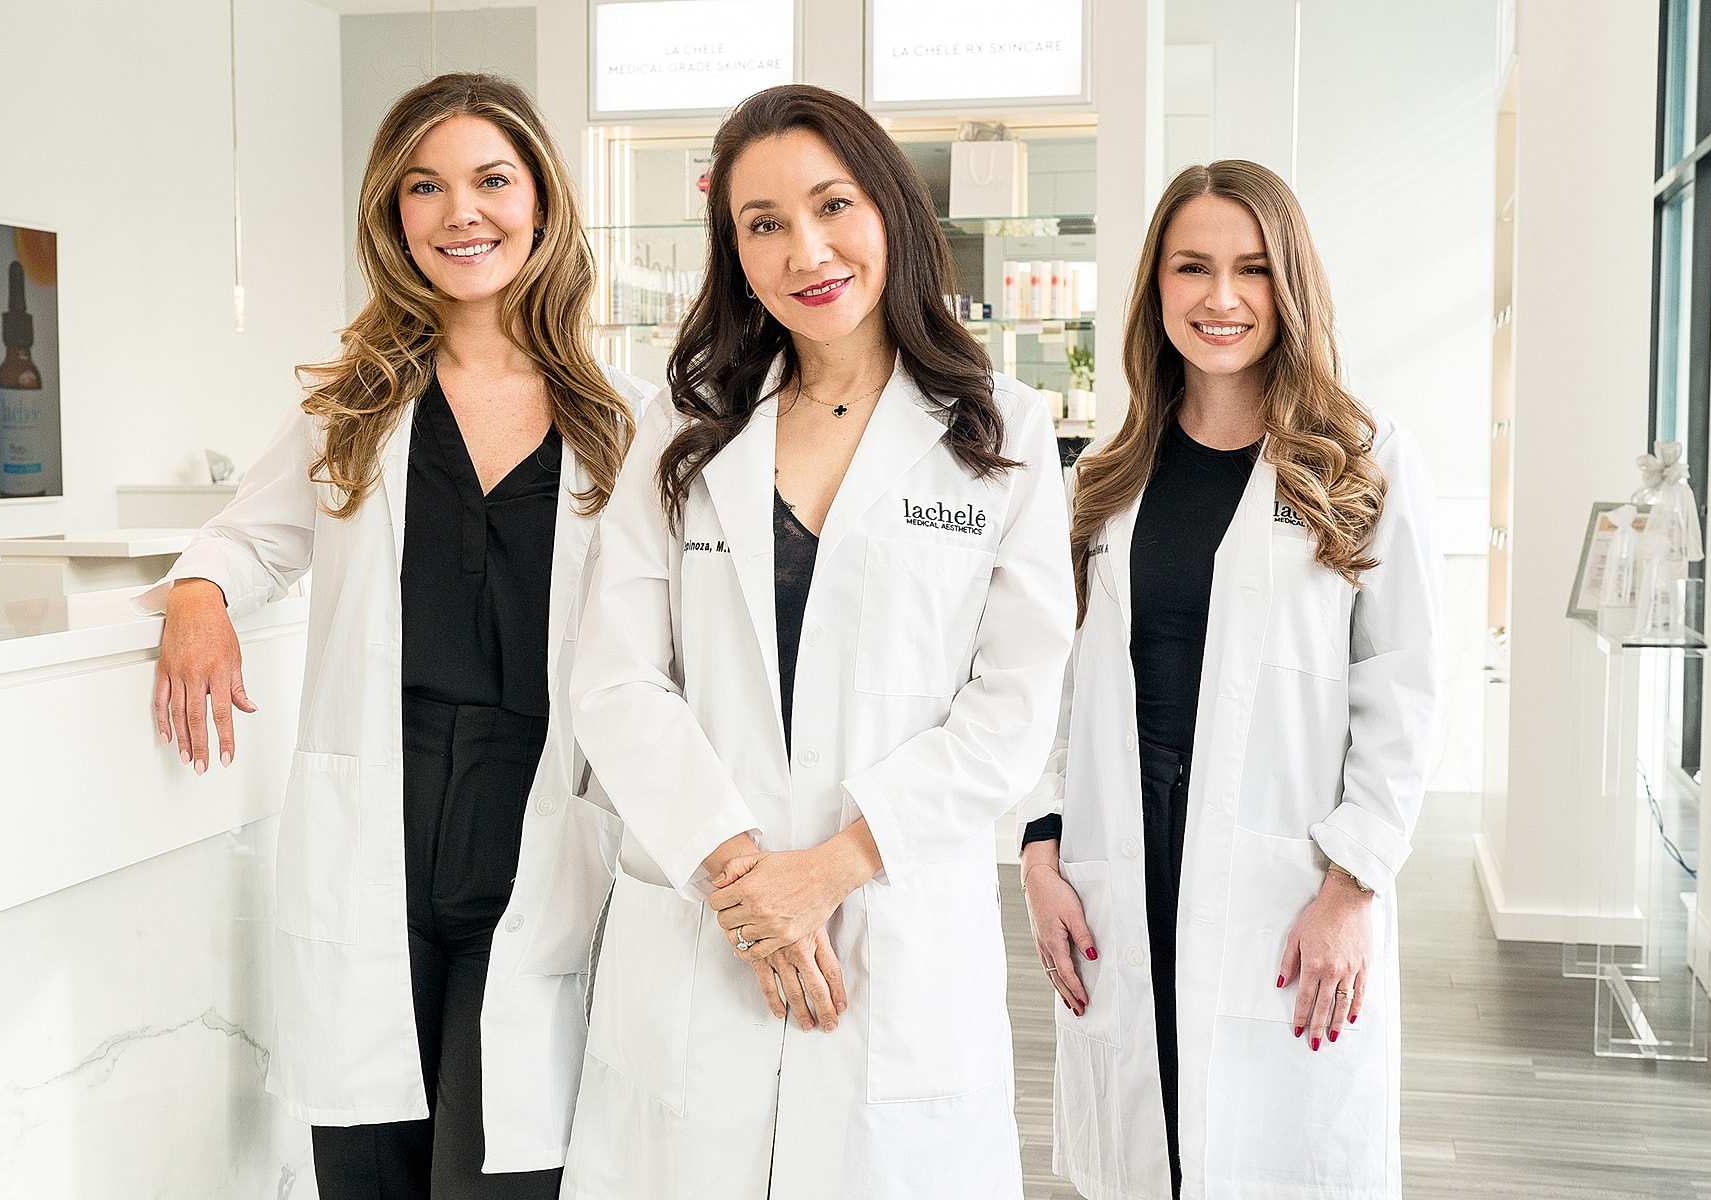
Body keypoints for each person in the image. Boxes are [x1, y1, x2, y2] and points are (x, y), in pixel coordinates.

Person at [555, 84, 1075, 1199]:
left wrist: (831, 870)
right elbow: (615, 675)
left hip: (889, 920)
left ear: (888, 209)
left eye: (833, 205)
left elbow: (1015, 705)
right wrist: (749, 881)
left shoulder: (1003, 432)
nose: (807, 250)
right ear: (732, 251)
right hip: (710, 924)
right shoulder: (686, 427)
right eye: (763, 223)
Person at [141, 73, 652, 1199]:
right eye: (426, 187)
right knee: (368, 1161)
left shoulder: (623, 419)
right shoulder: (357, 403)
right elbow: (244, 538)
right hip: (383, 809)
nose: (460, 212)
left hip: (537, 818)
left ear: (543, 202)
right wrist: (196, 597)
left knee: (507, 1159)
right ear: (393, 216)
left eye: (491, 180)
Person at [1019, 160, 1440, 1200]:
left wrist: (1351, 885)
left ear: (1288, 285)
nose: (1220, 298)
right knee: (1148, 1147)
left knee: (1270, 1153)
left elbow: (1405, 694)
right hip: (1123, 868)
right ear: (1154, 287)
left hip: (1281, 881)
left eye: (1251, 269)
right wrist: (1038, 850)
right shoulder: (1102, 479)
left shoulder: (1360, 462)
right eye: (1191, 267)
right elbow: (1053, 691)